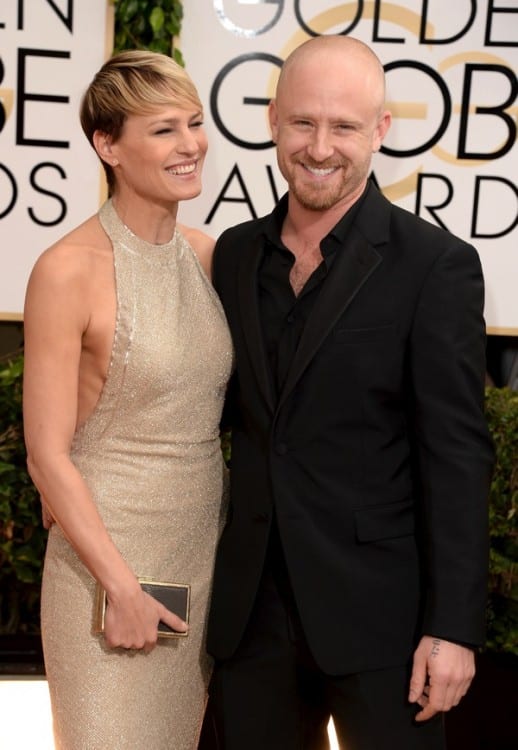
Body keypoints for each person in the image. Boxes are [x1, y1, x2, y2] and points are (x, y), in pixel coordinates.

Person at [205, 35, 494, 750]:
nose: (320, 147)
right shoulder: (236, 254)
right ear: (273, 120)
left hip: (384, 628)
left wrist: (453, 628)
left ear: (381, 131)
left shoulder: (436, 267)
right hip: (252, 624)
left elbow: (456, 456)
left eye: (344, 126)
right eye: (303, 122)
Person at [23, 50, 233, 749]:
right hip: (104, 566)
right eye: (164, 129)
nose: (191, 144)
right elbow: (48, 454)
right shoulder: (66, 270)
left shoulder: (210, 259)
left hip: (200, 558)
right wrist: (120, 586)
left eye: (195, 123)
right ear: (107, 145)